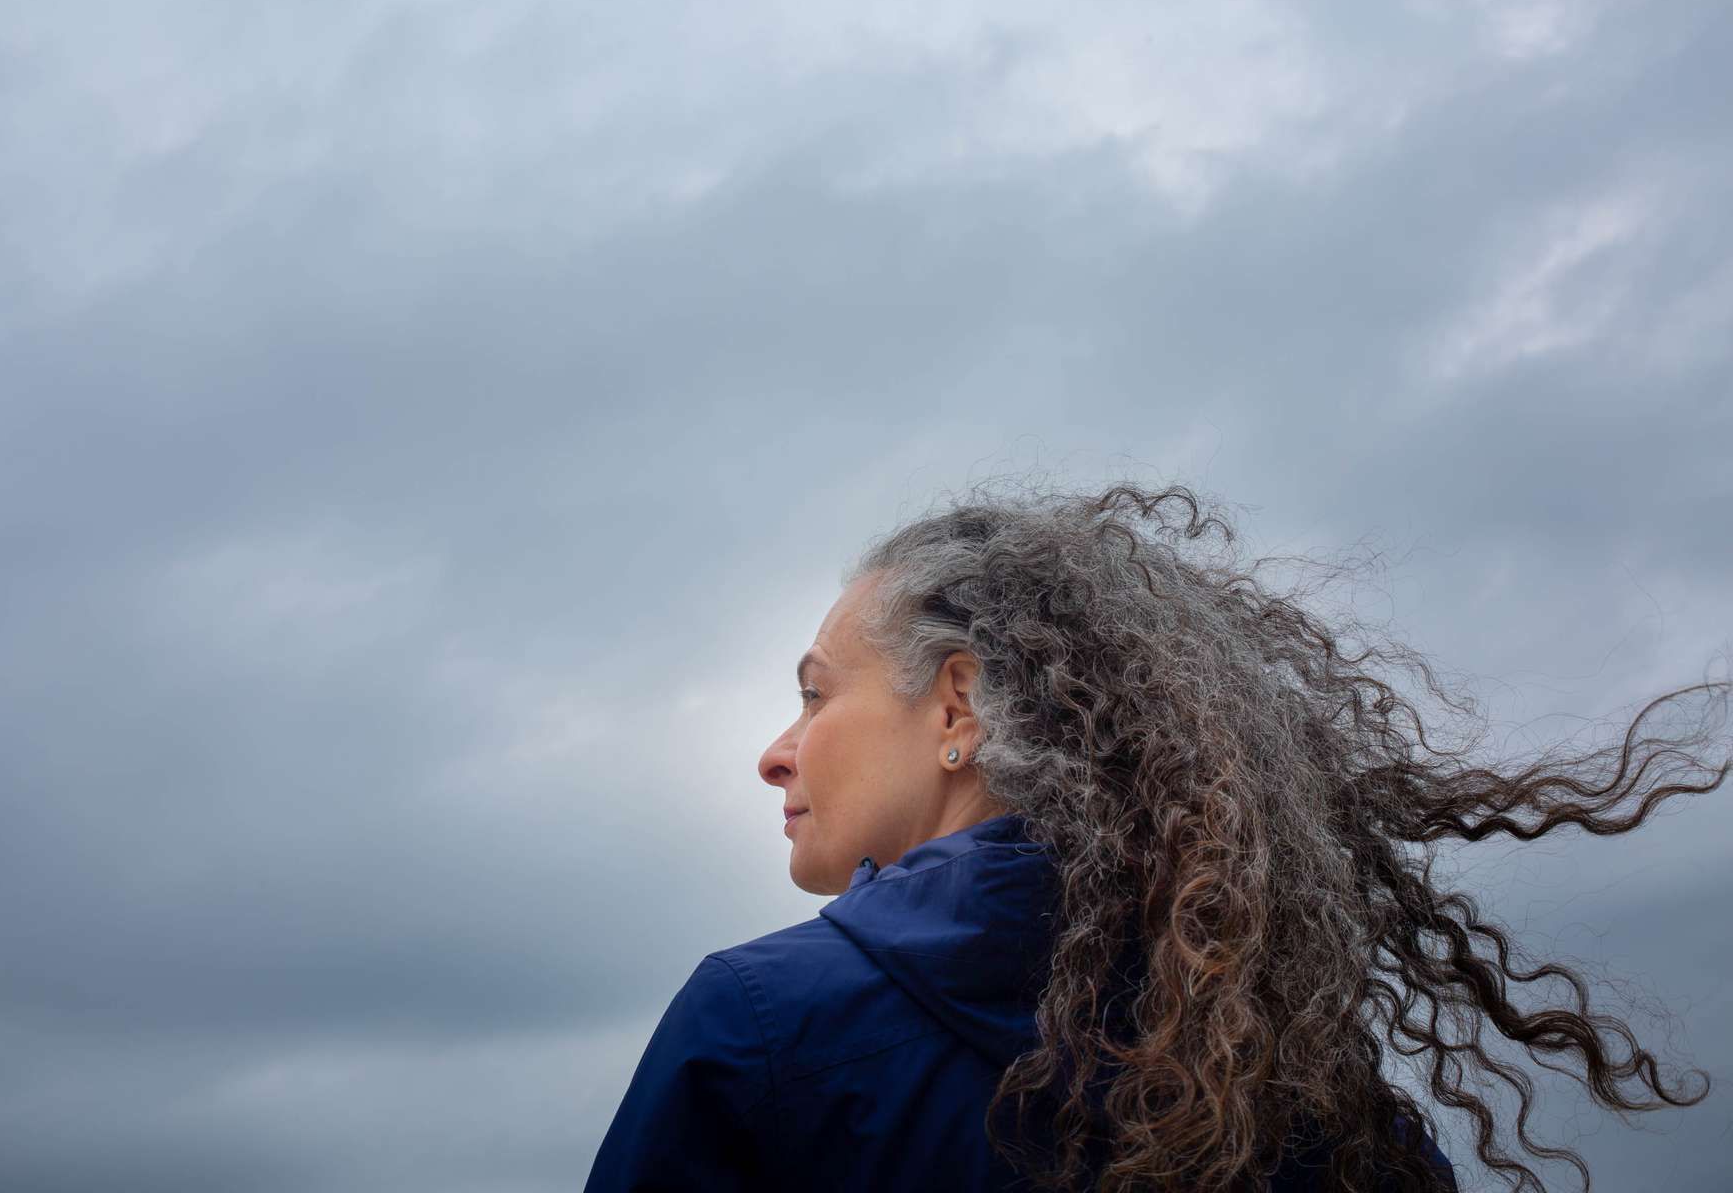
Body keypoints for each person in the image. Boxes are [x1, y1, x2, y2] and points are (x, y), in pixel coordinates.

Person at [584, 479, 1725, 1192]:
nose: (778, 753)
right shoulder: (1288, 1065)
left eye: (816, 695)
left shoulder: (759, 1031)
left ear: (957, 709)